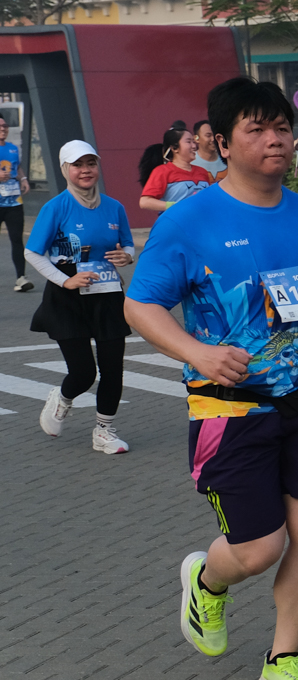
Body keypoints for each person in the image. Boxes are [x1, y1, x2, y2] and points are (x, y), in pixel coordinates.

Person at [124, 76, 298, 680]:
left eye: (282, 128)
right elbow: (140, 305)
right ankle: (206, 581)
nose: (275, 140)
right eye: (256, 129)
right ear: (222, 142)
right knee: (258, 549)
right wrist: (198, 352)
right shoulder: (189, 220)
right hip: (231, 407)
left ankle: (283, 659)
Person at [25, 141, 135, 453]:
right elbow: (33, 252)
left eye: (90, 163)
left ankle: (104, 431)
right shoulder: (56, 207)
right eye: (77, 165)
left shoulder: (114, 207)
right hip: (67, 297)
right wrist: (66, 280)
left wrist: (127, 256)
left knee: (112, 367)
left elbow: (127, 244)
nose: (85, 170)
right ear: (65, 170)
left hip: (107, 294)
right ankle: (62, 398)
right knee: (84, 372)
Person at [139, 127, 214, 213]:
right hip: (175, 220)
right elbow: (145, 202)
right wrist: (174, 206)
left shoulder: (202, 172)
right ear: (175, 148)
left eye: (194, 142)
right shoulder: (162, 171)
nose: (194, 146)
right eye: (189, 142)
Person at [0, 113, 31, 292]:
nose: (3, 129)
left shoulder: (12, 148)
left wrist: (24, 179)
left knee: (17, 240)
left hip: (13, 203)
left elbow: (17, 167)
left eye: (5, 126)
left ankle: (21, 278)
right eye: (0, 126)